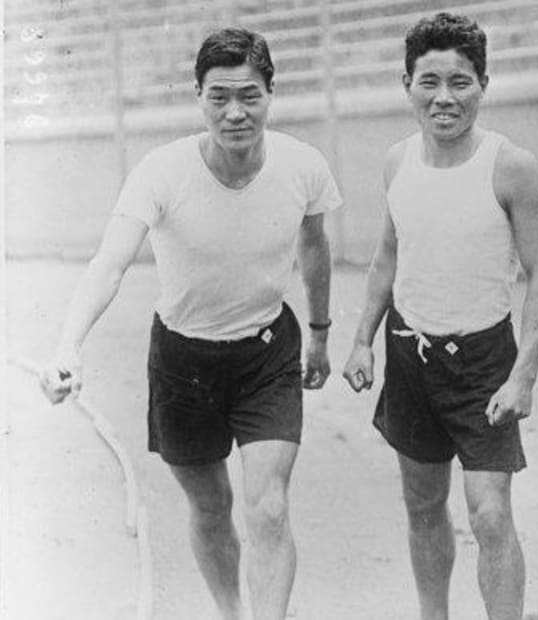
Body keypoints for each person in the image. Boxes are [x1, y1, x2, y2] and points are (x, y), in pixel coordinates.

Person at [39, 28, 342, 620]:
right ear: (199, 98)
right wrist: (67, 346)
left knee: (269, 507)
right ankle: (231, 611)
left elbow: (315, 250)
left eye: (250, 96)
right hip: (183, 361)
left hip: (266, 352)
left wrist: (321, 333)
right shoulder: (162, 171)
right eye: (219, 96)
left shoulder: (303, 166)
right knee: (210, 507)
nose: (235, 113)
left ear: (271, 95)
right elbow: (110, 263)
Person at [340, 12, 538, 620]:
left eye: (460, 82)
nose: (444, 98)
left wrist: (525, 376)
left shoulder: (512, 165)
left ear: (483, 84)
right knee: (423, 504)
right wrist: (361, 340)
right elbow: (388, 253)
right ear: (405, 83)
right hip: (410, 354)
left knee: (490, 513)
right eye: (428, 81)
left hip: (485, 362)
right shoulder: (396, 161)